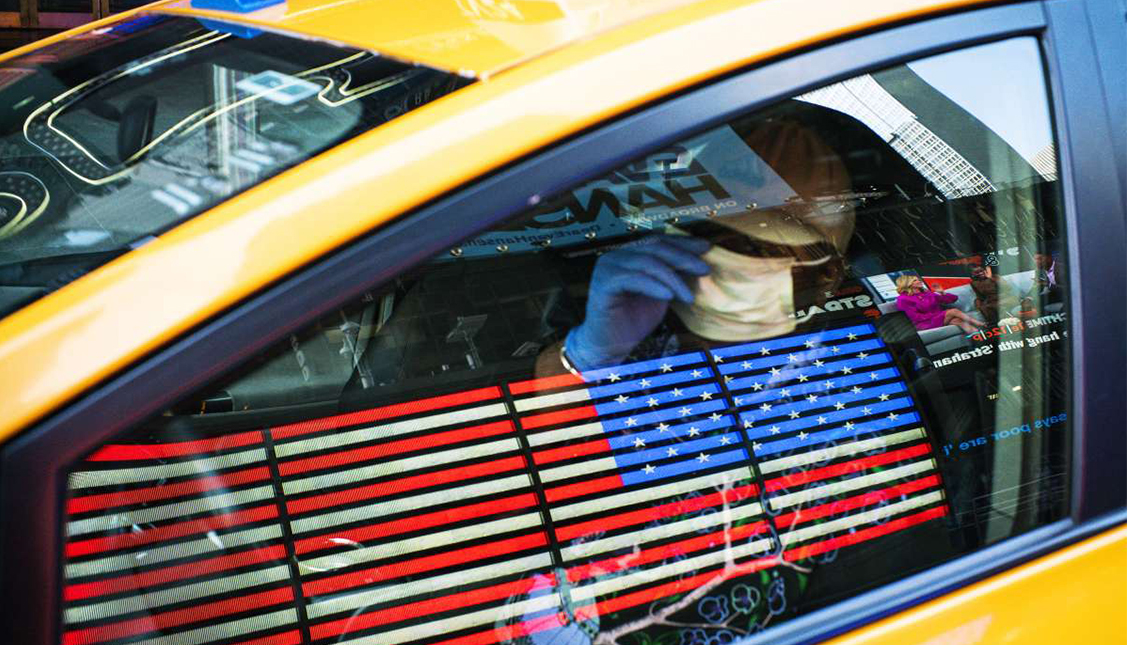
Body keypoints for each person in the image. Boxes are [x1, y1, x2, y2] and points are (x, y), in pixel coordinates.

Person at [893, 275, 984, 335]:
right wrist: (942, 314)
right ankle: (979, 323)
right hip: (923, 324)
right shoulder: (902, 299)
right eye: (915, 280)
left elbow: (953, 299)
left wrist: (942, 293)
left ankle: (978, 336)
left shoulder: (926, 293)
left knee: (957, 320)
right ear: (907, 284)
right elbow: (915, 318)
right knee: (953, 312)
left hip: (937, 318)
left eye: (918, 279)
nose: (919, 281)